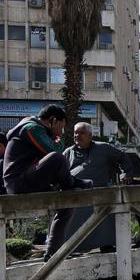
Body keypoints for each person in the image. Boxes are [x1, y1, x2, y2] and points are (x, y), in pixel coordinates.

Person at [3, 105, 92, 260]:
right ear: (52, 120)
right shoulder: (31, 128)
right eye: (61, 127)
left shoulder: (38, 130)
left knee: (67, 201)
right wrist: (57, 138)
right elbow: (56, 152)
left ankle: (53, 253)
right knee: (57, 158)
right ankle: (72, 182)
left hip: (29, 178)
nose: (61, 131)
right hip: (19, 182)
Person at [62, 122, 135, 252]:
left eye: (82, 133)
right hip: (76, 198)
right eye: (76, 133)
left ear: (90, 135)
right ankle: (71, 250)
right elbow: (60, 172)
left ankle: (106, 245)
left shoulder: (104, 148)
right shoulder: (68, 152)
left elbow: (123, 157)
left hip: (100, 196)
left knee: (104, 223)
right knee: (72, 229)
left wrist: (126, 173)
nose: (77, 136)